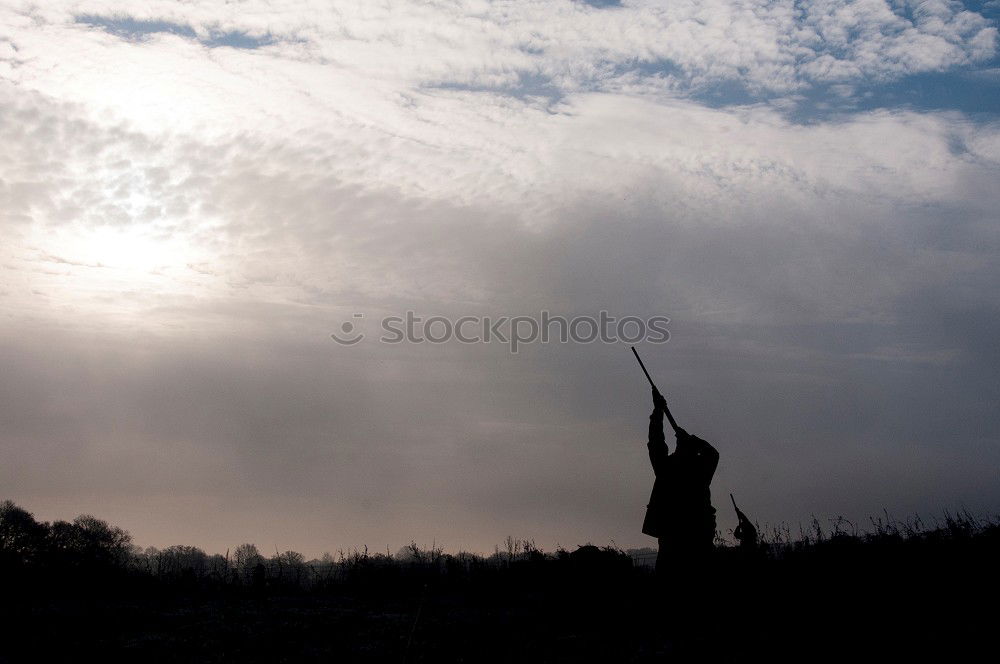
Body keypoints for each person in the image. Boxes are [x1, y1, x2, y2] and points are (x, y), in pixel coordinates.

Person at [642, 387, 719, 573]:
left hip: (672, 539)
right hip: (698, 540)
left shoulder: (666, 468)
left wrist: (658, 411)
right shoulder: (700, 469)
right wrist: (692, 439)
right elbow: (713, 453)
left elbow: (656, 442)